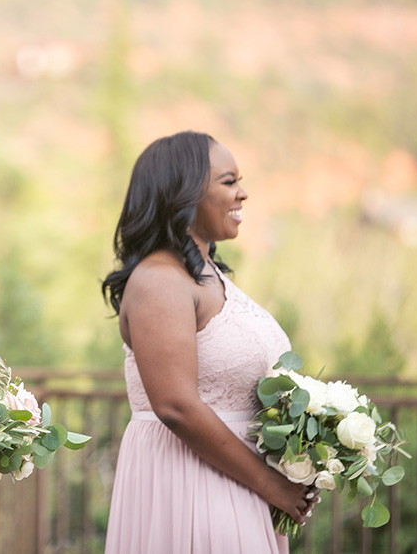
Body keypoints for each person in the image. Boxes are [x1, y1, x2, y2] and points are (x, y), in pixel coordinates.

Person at [101, 132, 318, 553]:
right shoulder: (160, 281)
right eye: (228, 181)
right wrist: (271, 484)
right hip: (190, 485)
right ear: (183, 193)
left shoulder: (207, 275)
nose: (243, 193)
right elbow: (176, 406)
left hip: (237, 483)